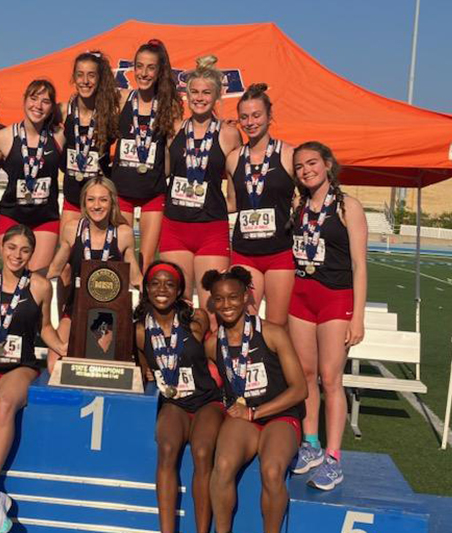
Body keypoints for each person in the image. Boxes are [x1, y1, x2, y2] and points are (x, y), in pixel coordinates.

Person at [0, 224, 66, 532]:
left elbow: (45, 328)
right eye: (11, 247)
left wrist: (66, 347)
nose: (17, 255)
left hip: (21, 365)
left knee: (5, 405)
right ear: (1, 249)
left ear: (32, 254)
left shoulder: (41, 286)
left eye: (25, 250)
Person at [203, 267, 307, 533]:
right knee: (222, 466)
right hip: (244, 418)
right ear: (212, 301)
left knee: (272, 471)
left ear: (247, 297)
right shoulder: (213, 343)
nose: (226, 305)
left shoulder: (272, 333)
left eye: (234, 297)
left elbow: (299, 390)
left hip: (279, 416)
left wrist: (255, 412)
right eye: (219, 299)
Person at [288, 141, 367, 490]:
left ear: (328, 164)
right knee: (305, 374)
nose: (306, 170)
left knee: (330, 378)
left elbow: (360, 265)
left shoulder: (348, 207)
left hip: (336, 298)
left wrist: (358, 317)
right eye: (300, 166)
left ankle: (334, 458)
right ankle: (311, 445)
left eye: (312, 163)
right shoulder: (298, 205)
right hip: (302, 295)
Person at [134, 261, 223, 533]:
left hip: (207, 400)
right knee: (168, 449)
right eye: (155, 284)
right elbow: (144, 366)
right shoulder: (139, 330)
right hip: (174, 403)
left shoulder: (196, 318)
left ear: (180, 290)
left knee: (202, 451)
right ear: (146, 289)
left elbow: (212, 353)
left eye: (169, 284)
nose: (162, 289)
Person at [160, 55, 241, 312]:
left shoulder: (229, 134)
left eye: (206, 92)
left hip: (210, 229)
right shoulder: (174, 129)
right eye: (194, 91)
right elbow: (164, 173)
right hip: (175, 226)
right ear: (186, 94)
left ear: (217, 97)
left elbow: (236, 180)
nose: (199, 97)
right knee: (177, 303)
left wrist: (223, 205)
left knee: (213, 305)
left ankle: (210, 353)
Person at [46, 177, 141, 371]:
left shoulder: (123, 233)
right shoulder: (72, 229)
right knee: (54, 365)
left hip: (110, 315)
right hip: (75, 312)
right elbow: (53, 270)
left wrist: (176, 295)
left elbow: (136, 278)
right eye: (91, 200)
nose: (96, 206)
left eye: (103, 200)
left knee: (106, 365)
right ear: (84, 202)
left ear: (112, 202)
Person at [226, 83, 296, 326]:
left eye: (256, 115)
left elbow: (306, 197)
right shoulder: (234, 158)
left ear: (269, 116)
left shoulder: (288, 154)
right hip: (245, 252)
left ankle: (273, 365)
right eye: (244, 117)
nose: (250, 122)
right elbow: (231, 204)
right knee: (246, 323)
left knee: (277, 325)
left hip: (279, 252)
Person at [110, 39, 183, 273]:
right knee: (123, 254)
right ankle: (124, 309)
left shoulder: (169, 105)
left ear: (159, 71)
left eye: (150, 67)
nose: (143, 73)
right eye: (139, 66)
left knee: (148, 259)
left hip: (153, 191)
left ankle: (144, 306)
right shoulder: (121, 99)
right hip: (122, 190)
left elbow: (172, 146)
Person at [0, 79, 66, 272]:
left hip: (45, 217)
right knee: (13, 273)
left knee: (38, 277)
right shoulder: (3, 137)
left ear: (52, 108)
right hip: (12, 215)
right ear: (24, 100)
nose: (38, 106)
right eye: (33, 98)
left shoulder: (59, 136)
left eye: (46, 101)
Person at [59, 50, 120, 232]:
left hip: (99, 200)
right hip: (72, 197)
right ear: (74, 78)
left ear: (100, 78)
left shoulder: (111, 114)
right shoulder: (63, 111)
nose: (85, 81)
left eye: (91, 75)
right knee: (67, 252)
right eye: (80, 75)